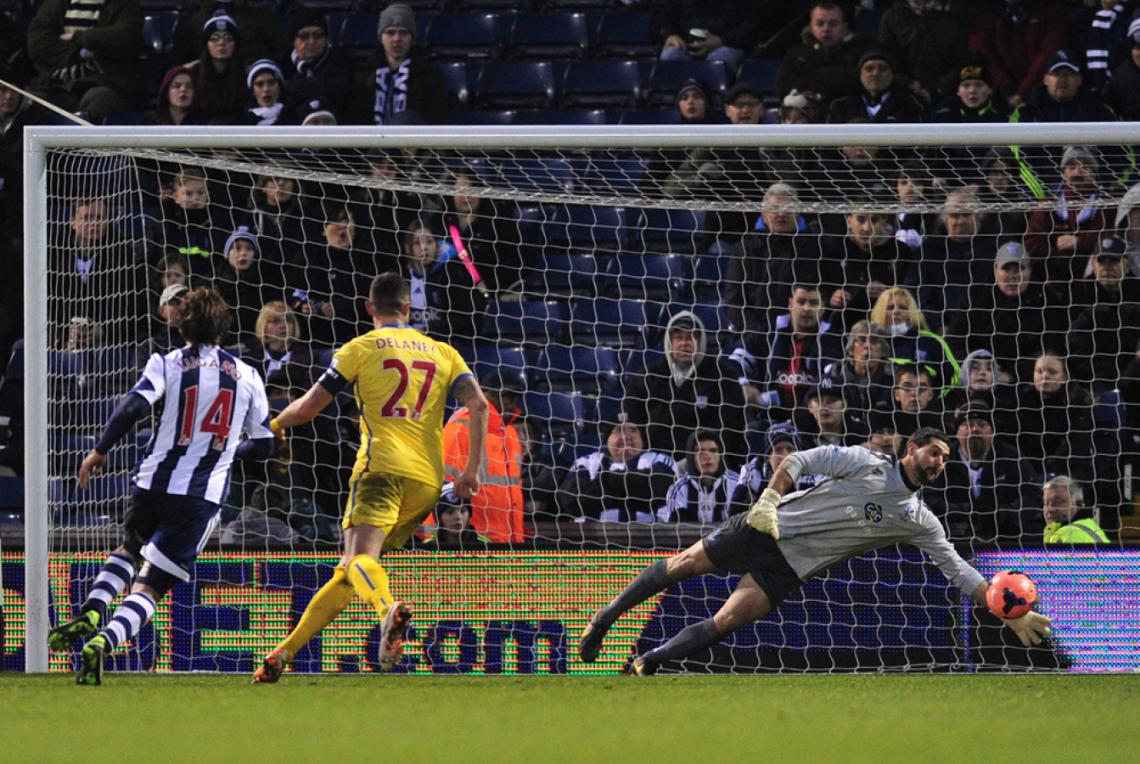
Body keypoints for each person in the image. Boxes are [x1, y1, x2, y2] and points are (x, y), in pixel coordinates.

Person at [578, 427, 1052, 674]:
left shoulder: (920, 519)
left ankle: (647, 662)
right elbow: (799, 459)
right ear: (913, 449)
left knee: (727, 621)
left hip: (792, 566)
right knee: (683, 565)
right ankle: (603, 619)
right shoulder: (866, 463)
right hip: (767, 527)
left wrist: (1003, 610)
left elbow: (956, 568)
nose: (940, 463)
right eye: (935, 453)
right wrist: (768, 499)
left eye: (947, 460)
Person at [252, 272, 487, 682]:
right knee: (351, 573)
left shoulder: (358, 348)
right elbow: (480, 405)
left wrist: (271, 425)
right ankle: (281, 655)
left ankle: (387, 613)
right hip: (428, 482)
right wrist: (468, 472)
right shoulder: (443, 351)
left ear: (369, 308)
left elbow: (309, 407)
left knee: (358, 560)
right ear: (408, 309)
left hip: (380, 468)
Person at [46, 287, 276, 685]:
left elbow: (135, 405)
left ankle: (93, 607)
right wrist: (232, 449)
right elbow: (266, 445)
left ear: (182, 324)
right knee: (150, 587)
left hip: (152, 483)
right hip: (200, 497)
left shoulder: (168, 362)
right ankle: (103, 641)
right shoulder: (249, 376)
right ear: (224, 328)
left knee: (129, 548)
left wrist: (99, 450)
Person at [624, 310, 748, 467]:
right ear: (670, 342)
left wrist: (694, 460)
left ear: (701, 340)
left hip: (707, 464)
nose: (684, 343)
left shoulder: (722, 375)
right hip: (654, 464)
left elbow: (730, 429)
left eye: (691, 337)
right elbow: (632, 422)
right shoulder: (646, 377)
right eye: (679, 337)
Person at [925, 401, 1041, 546]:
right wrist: (967, 511)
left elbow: (1033, 495)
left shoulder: (1012, 456)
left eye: (982, 424)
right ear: (956, 432)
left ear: (992, 432)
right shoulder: (941, 460)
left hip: (1006, 538)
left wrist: (1002, 515)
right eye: (967, 425)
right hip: (954, 537)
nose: (975, 429)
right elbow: (930, 498)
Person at [732, 281, 844, 425]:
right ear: (790, 304)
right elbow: (733, 362)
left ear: (822, 308)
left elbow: (832, 376)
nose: (807, 308)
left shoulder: (833, 339)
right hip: (768, 420)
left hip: (813, 422)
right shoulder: (768, 332)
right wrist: (744, 385)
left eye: (813, 303)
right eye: (801, 302)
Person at [27, 0, 142, 123]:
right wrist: (80, 52)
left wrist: (76, 37)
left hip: (101, 83)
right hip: (55, 84)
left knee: (101, 99)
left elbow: (124, 37)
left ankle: (78, 142)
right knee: (28, 102)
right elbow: (36, 44)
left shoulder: (125, 5)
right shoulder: (56, 4)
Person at [442, 369, 524, 543]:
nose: (512, 402)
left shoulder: (510, 433)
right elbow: (442, 487)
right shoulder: (461, 427)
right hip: (474, 541)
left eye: (514, 396)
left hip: (512, 540)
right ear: (486, 394)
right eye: (506, 395)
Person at [1024, 145, 1113, 286]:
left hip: (1096, 284)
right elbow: (1032, 244)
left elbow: (1111, 240)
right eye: (1071, 167)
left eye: (1085, 167)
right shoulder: (1049, 204)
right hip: (1052, 285)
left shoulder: (1107, 205)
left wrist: (1079, 242)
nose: (1078, 173)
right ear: (1063, 173)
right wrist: (1067, 261)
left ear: (1094, 173)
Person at [557, 420, 677, 522]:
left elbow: (660, 491)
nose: (626, 436)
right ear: (607, 439)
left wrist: (604, 481)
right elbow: (570, 500)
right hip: (590, 540)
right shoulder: (586, 462)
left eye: (633, 430)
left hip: (648, 539)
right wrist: (634, 499)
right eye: (618, 430)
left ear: (643, 439)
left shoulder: (659, 459)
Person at [353, 3, 449, 126]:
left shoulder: (430, 75)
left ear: (412, 38)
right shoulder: (362, 74)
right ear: (380, 37)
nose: (397, 39)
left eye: (403, 33)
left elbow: (437, 119)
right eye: (390, 32)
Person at [967, 0, 1069, 108]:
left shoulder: (1051, 9)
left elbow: (1048, 54)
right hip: (996, 95)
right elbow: (983, 54)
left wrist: (1021, 93)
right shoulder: (985, 12)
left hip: (1040, 95)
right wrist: (1006, 90)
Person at [775, 2, 873, 108]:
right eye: (820, 23)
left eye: (833, 24)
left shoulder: (860, 53)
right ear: (811, 26)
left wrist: (813, 76)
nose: (826, 29)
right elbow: (782, 87)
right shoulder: (796, 54)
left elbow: (861, 84)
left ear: (845, 27)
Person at [1016, 352, 1095, 484]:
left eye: (1052, 372)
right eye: (1039, 371)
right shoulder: (1020, 402)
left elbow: (1074, 446)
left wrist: (1046, 472)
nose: (1044, 376)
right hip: (1027, 472)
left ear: (1064, 377)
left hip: (1066, 473)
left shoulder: (1077, 405)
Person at [869, 286, 959, 393]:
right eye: (890, 308)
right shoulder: (870, 341)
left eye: (902, 307)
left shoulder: (931, 342)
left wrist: (931, 401)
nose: (896, 312)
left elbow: (952, 379)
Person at [279, 10, 354, 123]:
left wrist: (297, 87)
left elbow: (339, 93)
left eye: (317, 35)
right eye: (304, 36)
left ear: (326, 39)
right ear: (294, 40)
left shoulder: (341, 63)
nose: (311, 42)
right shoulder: (282, 65)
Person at [650, 0, 760, 73]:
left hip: (727, 45)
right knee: (670, 55)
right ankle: (678, 105)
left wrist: (722, 40)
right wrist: (670, 35)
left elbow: (752, 24)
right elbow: (660, 16)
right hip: (685, 46)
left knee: (720, 59)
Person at [826, 49, 927, 124]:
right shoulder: (840, 107)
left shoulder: (911, 104)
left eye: (883, 68)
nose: (875, 73)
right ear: (860, 74)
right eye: (869, 68)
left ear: (892, 74)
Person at [658, 430, 740, 524]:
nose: (707, 456)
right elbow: (677, 532)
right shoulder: (679, 490)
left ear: (720, 456)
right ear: (691, 458)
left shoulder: (735, 484)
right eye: (700, 452)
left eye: (713, 451)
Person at [821, 319, 894, 418]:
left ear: (883, 351)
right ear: (851, 349)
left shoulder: (894, 379)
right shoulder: (834, 374)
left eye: (874, 340)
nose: (868, 346)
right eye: (862, 340)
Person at [186, 12, 247, 124]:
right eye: (215, 38)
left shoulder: (246, 74)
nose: (221, 43)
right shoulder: (191, 73)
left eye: (228, 39)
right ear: (206, 44)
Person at [1042, 475, 1110, 544]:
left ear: (1078, 503)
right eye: (1045, 503)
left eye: (1058, 502)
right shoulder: (1090, 525)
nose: (1050, 509)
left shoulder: (1069, 534)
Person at [242, 58, 296, 126]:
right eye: (259, 84)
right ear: (252, 90)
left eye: (271, 83)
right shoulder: (241, 121)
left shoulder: (295, 116)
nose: (266, 89)